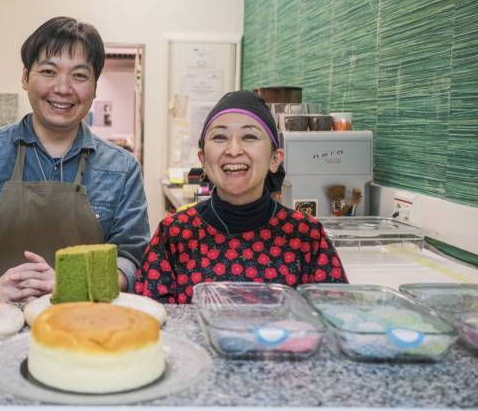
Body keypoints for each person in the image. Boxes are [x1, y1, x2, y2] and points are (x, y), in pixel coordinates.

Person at [0, 17, 150, 302]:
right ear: (25, 76)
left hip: (83, 325)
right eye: (48, 71)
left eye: (79, 76)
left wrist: (75, 285)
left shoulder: (122, 168)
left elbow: (130, 260)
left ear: (95, 87)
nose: (63, 88)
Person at [134, 91, 347, 304]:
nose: (233, 150)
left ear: (275, 159)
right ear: (203, 161)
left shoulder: (307, 237)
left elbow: (334, 318)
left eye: (249, 137)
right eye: (220, 137)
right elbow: (152, 324)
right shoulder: (174, 235)